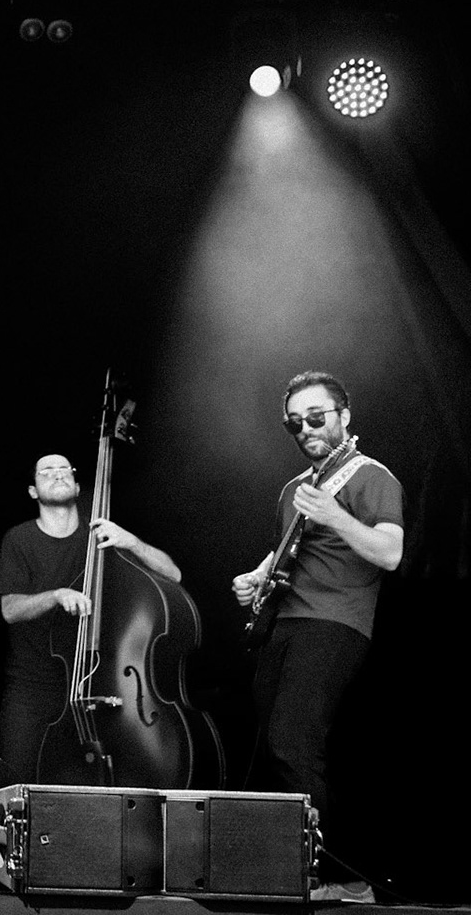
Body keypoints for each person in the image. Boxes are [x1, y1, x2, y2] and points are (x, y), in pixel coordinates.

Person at [232, 371, 402, 903]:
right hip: (284, 625)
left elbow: (390, 553)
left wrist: (335, 515)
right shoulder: (294, 489)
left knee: (293, 741)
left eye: (316, 416)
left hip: (337, 623)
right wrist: (257, 577)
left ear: (344, 417)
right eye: (294, 422)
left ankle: (338, 878)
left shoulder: (371, 476)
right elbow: (288, 549)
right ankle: (294, 873)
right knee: (274, 751)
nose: (305, 428)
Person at [0, 452, 183, 782]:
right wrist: (56, 595)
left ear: (78, 485)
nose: (57, 474)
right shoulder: (19, 539)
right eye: (46, 471)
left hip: (102, 681)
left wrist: (131, 542)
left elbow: (173, 575)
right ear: (33, 491)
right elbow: (10, 610)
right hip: (33, 688)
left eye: (65, 469)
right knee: (13, 778)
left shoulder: (102, 534)